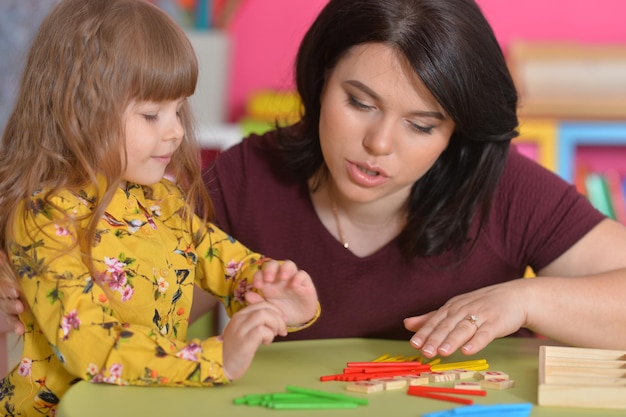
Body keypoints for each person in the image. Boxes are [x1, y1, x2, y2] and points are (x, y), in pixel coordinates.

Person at [3, 0, 626, 363]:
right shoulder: (249, 177)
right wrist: (32, 276)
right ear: (319, 82)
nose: (380, 144)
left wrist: (526, 299)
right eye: (359, 103)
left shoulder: (503, 188)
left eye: (421, 124)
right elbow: (132, 314)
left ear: (456, 132)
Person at [0, 0, 319, 415]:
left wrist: (279, 297)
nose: (175, 132)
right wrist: (214, 359)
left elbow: (229, 264)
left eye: (178, 109)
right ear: (78, 111)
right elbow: (89, 344)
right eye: (151, 115)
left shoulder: (163, 201)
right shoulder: (44, 218)